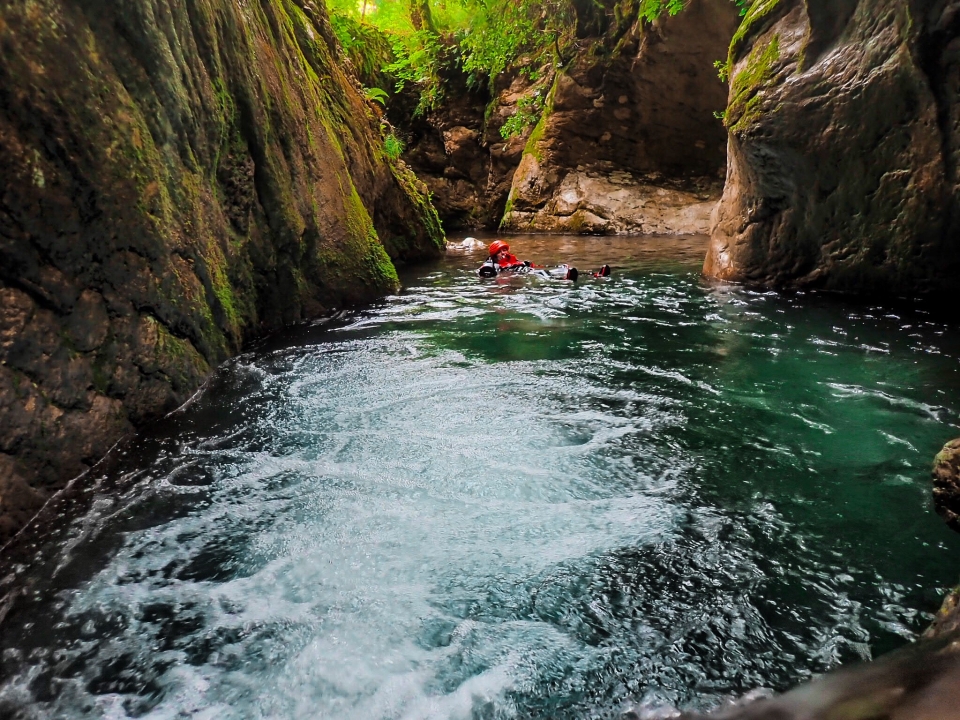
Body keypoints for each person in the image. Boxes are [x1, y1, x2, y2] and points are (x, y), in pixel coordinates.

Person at [478, 240, 579, 281]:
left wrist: (524, 263)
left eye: (505, 250)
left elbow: (516, 262)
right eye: (500, 251)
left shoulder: (510, 258)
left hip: (522, 271)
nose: (504, 253)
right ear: (495, 253)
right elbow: (483, 272)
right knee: (540, 273)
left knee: (543, 271)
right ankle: (561, 280)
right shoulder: (491, 264)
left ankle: (564, 272)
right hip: (516, 274)